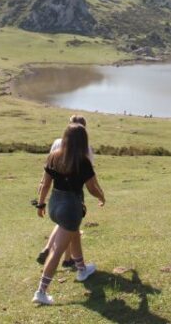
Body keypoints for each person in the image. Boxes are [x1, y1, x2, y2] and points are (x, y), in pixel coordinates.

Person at [32, 123, 105, 305]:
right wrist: (101, 196)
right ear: (82, 141)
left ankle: (82, 269)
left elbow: (45, 184)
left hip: (54, 206)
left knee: (74, 236)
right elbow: (91, 188)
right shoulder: (83, 161)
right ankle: (41, 292)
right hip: (71, 208)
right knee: (57, 251)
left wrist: (40, 204)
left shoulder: (54, 156)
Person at [37, 115, 94, 266]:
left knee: (64, 223)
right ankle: (66, 259)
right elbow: (89, 174)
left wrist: (41, 200)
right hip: (74, 192)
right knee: (70, 225)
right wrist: (100, 195)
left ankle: (50, 248)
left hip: (56, 193)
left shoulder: (57, 143)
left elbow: (49, 166)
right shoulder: (85, 148)